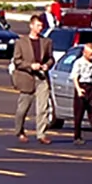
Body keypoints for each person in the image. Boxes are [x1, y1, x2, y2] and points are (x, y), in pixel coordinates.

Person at [11, 15, 54, 144]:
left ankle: (41, 134)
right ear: (31, 25)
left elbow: (51, 58)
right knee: (23, 108)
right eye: (38, 25)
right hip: (27, 77)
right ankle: (19, 131)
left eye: (41, 26)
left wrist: (47, 65)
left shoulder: (46, 42)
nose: (40, 28)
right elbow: (17, 61)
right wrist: (30, 66)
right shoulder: (21, 42)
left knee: (43, 107)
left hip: (41, 77)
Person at [68, 42, 92, 146]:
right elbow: (75, 77)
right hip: (82, 86)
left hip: (91, 87)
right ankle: (77, 136)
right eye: (90, 54)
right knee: (78, 114)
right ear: (84, 53)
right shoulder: (79, 63)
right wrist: (79, 89)